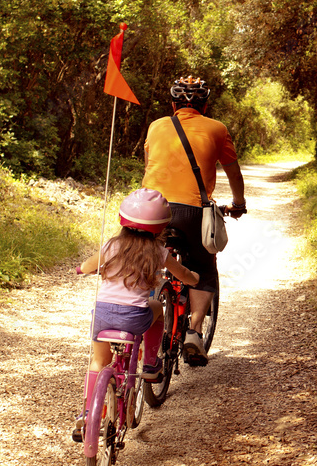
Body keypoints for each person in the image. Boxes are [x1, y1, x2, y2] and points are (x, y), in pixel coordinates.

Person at [73, 188, 198, 441]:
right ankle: (151, 364)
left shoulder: (111, 245)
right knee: (158, 310)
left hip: (104, 316)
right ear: (161, 226)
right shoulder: (158, 252)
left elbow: (86, 267)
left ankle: (87, 415)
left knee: (98, 362)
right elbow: (183, 275)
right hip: (134, 319)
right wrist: (194, 278)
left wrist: (82, 269)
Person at [141, 76, 246, 366]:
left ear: (173, 105)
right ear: (205, 105)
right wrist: (238, 204)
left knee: (145, 259)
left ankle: (138, 315)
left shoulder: (157, 125)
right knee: (203, 268)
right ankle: (194, 332)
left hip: (151, 208)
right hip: (191, 211)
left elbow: (149, 165)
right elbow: (233, 173)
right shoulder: (217, 129)